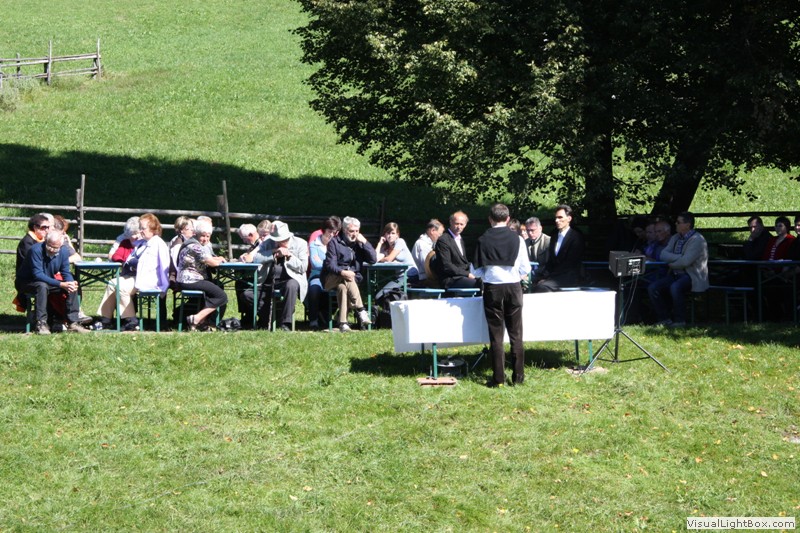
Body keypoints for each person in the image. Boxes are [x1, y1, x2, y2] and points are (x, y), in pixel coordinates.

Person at [473, 203, 531, 387]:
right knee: (516, 333)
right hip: (513, 287)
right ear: (507, 219)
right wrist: (515, 277)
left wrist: (489, 275)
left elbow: (476, 271)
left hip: (493, 289)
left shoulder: (482, 239)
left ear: (490, 219)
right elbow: (526, 268)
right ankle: (518, 378)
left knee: (496, 335)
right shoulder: (518, 239)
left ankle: (498, 379)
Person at [97, 213, 170, 331]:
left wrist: (163, 286)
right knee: (111, 283)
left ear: (153, 228)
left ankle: (131, 320)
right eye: (140, 228)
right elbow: (129, 260)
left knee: (121, 287)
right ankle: (106, 320)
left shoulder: (158, 243)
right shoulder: (142, 243)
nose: (140, 231)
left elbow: (164, 265)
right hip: (136, 276)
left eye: (143, 228)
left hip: (149, 280)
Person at [15, 230, 89, 334]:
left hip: (47, 281)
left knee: (71, 286)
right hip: (27, 282)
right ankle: (41, 323)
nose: (52, 250)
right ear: (45, 241)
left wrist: (70, 283)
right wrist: (61, 284)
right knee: (42, 286)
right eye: (50, 246)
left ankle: (73, 322)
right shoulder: (35, 250)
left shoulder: (63, 251)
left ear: (61, 245)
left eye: (56, 248)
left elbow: (65, 271)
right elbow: (38, 275)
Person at [647, 211, 709, 327]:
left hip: (692, 276)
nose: (675, 224)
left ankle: (680, 320)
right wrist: (680, 257)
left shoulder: (697, 239)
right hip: (675, 274)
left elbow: (686, 262)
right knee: (653, 287)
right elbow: (663, 254)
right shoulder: (675, 237)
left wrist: (672, 264)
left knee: (675, 287)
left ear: (687, 225)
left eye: (678, 222)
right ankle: (664, 319)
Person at [249, 221, 309, 331]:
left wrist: (289, 256)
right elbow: (256, 258)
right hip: (268, 280)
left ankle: (285, 323)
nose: (278, 242)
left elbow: (303, 267)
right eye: (276, 240)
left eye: (281, 240)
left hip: (289, 279)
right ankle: (269, 317)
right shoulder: (269, 242)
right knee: (247, 294)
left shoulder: (300, 243)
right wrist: (273, 252)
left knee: (291, 285)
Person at [321, 216, 376, 332]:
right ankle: (361, 310)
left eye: (357, 231)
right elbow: (330, 265)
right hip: (331, 279)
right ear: (344, 230)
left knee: (342, 287)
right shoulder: (334, 242)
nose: (354, 234)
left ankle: (343, 323)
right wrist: (342, 272)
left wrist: (365, 242)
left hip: (349, 281)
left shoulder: (359, 244)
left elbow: (373, 259)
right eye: (351, 231)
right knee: (347, 277)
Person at [176, 219, 227, 330]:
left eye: (208, 236)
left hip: (188, 280)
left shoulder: (192, 243)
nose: (205, 239)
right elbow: (212, 263)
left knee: (217, 286)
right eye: (203, 236)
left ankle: (204, 322)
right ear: (196, 234)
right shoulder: (195, 246)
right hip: (190, 281)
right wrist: (219, 260)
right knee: (221, 296)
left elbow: (209, 258)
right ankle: (197, 318)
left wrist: (218, 258)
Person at [532, 204, 585, 292]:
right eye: (556, 218)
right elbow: (551, 261)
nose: (557, 220)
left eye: (560, 217)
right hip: (554, 276)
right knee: (530, 281)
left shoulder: (576, 237)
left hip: (569, 276)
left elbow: (570, 263)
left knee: (542, 287)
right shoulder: (554, 236)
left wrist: (549, 278)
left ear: (569, 218)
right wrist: (543, 276)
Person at [13, 213, 54, 313]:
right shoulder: (27, 243)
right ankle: (41, 319)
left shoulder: (45, 241)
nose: (47, 230)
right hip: (28, 280)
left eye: (48, 227)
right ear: (35, 228)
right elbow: (35, 265)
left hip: (41, 277)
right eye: (44, 227)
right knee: (43, 286)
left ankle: (70, 317)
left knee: (70, 282)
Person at [307, 216, 341, 329]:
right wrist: (332, 265)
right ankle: (313, 319)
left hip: (334, 276)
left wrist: (325, 264)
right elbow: (315, 264)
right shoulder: (314, 244)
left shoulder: (337, 244)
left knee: (342, 288)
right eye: (329, 231)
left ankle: (332, 316)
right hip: (317, 276)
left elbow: (341, 263)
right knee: (314, 289)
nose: (331, 235)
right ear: (324, 230)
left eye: (334, 233)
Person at [435, 211, 479, 289]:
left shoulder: (460, 239)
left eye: (461, 224)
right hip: (450, 279)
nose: (459, 227)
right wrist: (467, 274)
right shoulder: (443, 240)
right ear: (451, 222)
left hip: (461, 276)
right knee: (478, 283)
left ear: (465, 225)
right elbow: (446, 265)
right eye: (456, 223)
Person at [411, 219, 444, 285]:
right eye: (440, 234)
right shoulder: (422, 244)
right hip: (423, 279)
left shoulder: (429, 244)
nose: (441, 237)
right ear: (432, 231)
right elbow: (427, 267)